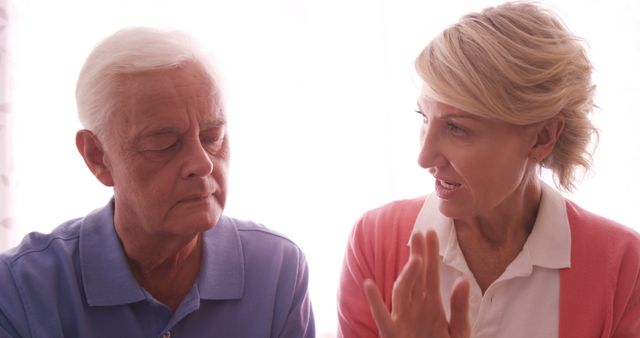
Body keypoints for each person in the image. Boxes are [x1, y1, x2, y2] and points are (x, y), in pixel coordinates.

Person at [337, 2, 640, 338]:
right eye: (424, 118)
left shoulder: (623, 264)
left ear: (543, 136)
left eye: (456, 128)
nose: (424, 157)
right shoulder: (376, 241)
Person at [0, 27, 314, 337]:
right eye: (164, 144)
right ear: (97, 157)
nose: (202, 163)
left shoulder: (277, 269)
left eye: (213, 137)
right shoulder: (19, 289)